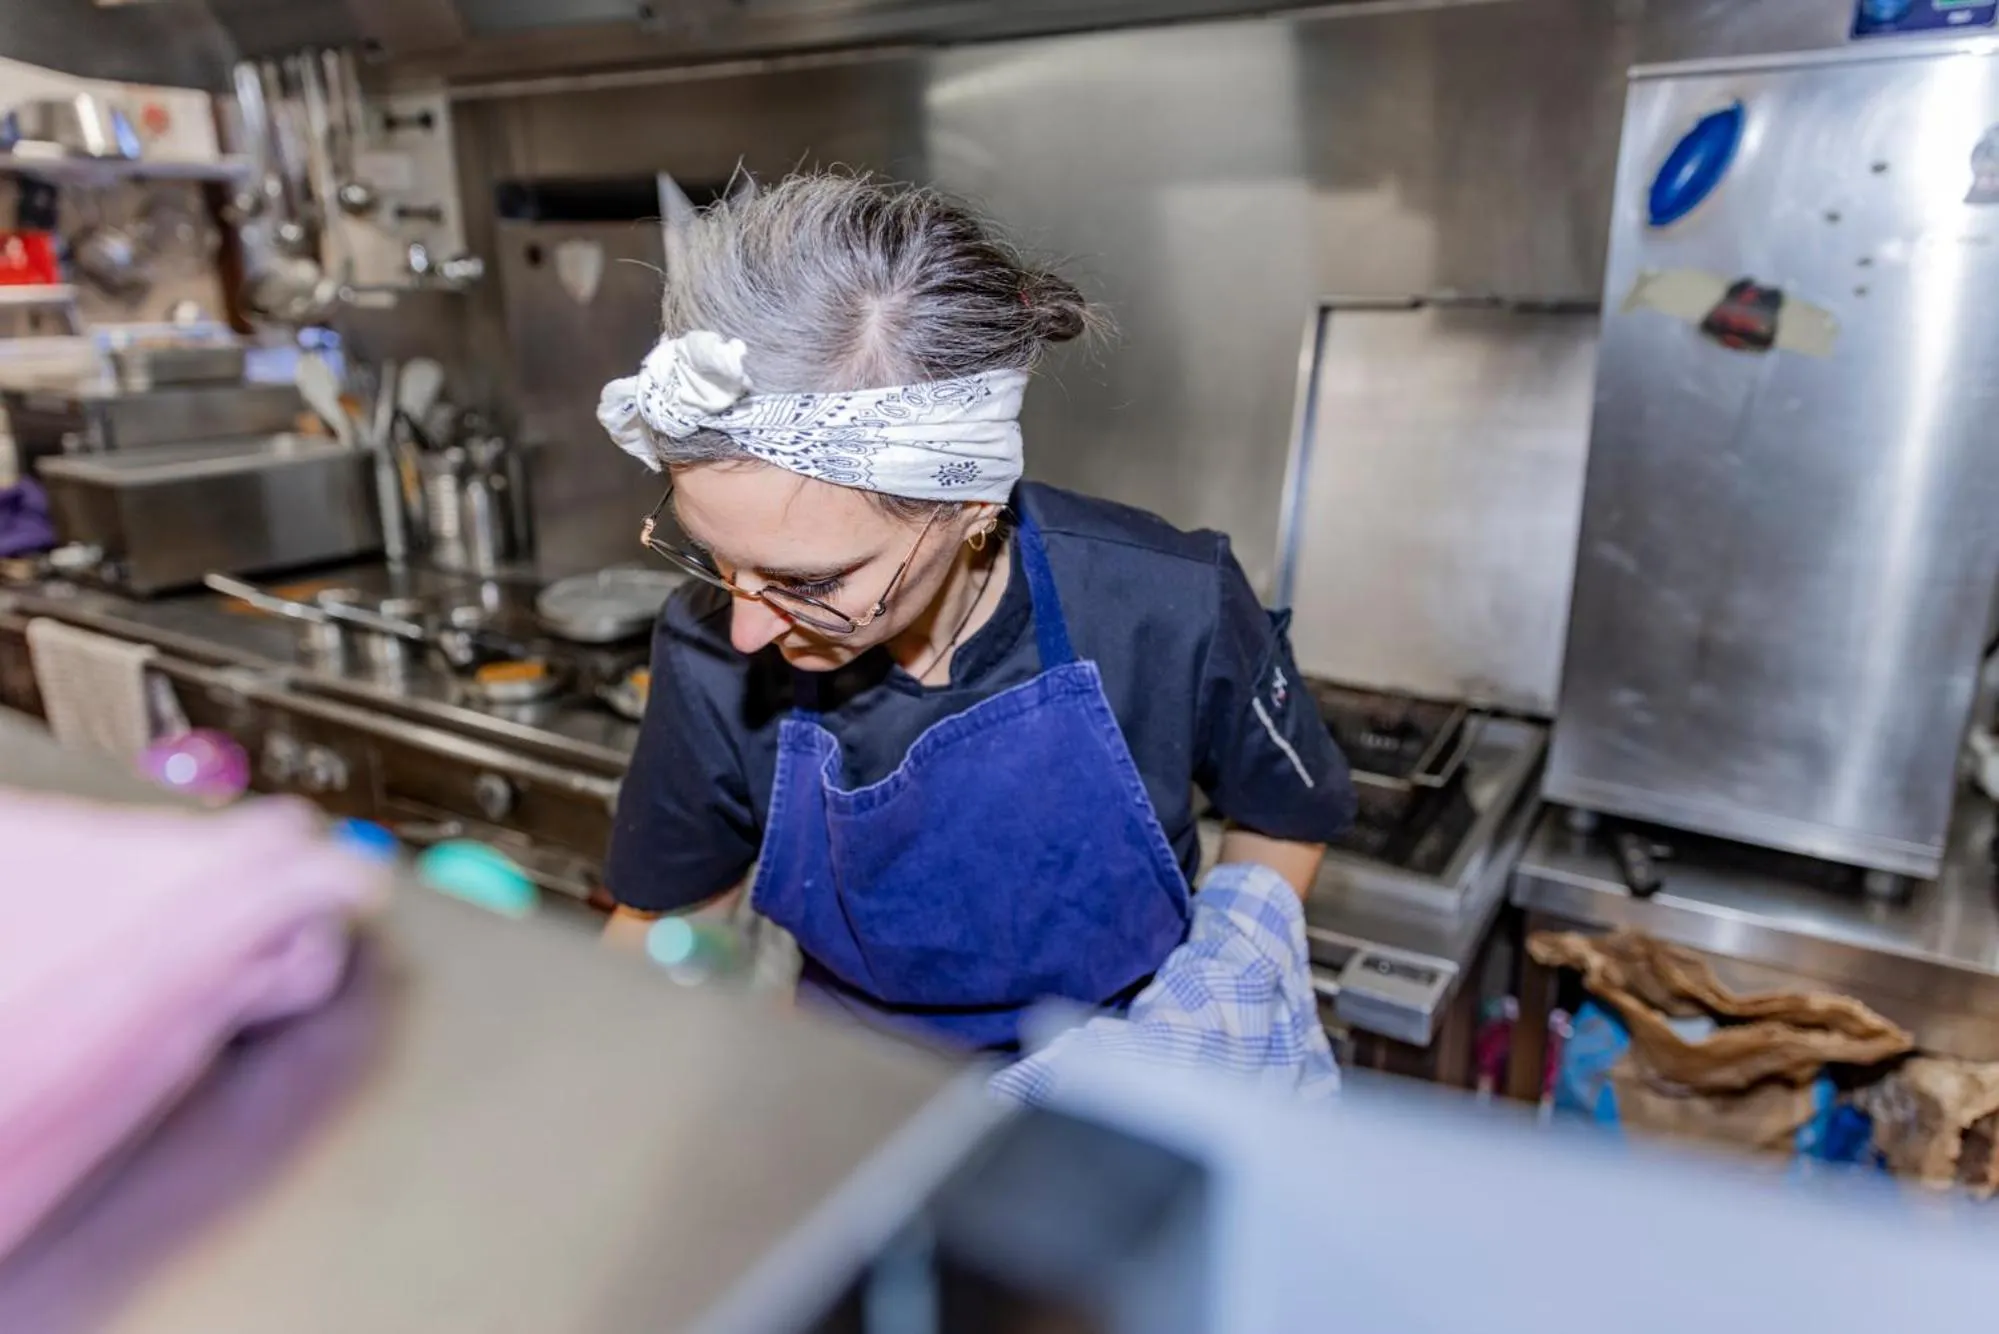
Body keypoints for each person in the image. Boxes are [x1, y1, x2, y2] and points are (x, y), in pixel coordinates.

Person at [598, 173, 1355, 1053]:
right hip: (855, 1089)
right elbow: (669, 923)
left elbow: (1284, 815)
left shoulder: (1164, 601)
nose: (744, 628)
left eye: (809, 585)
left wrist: (1204, 1009)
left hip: (1124, 1078)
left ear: (969, 511)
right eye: (715, 559)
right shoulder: (706, 648)